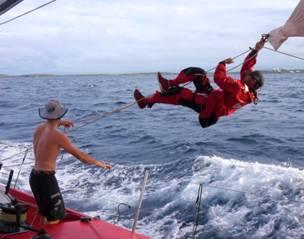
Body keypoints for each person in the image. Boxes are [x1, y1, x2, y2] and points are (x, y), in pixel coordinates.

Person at [133, 37, 266, 128]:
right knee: (198, 73)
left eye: (250, 75)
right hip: (213, 98)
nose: (247, 73)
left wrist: (222, 64)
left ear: (253, 81)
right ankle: (169, 83)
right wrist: (256, 49)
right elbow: (247, 68)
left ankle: (145, 101)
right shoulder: (249, 89)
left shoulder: (239, 88)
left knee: (182, 94)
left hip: (209, 107)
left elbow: (219, 79)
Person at [30, 99, 112, 225]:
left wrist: (61, 123)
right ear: (61, 114)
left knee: (45, 213)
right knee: (54, 218)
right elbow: (81, 157)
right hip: (46, 180)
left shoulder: (39, 128)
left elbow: (50, 125)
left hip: (34, 177)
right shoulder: (59, 136)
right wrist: (99, 163)